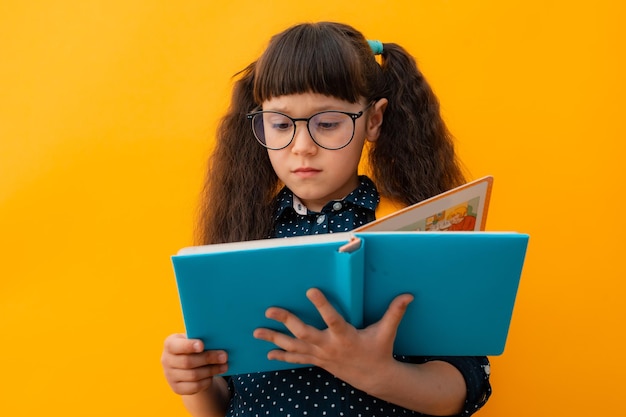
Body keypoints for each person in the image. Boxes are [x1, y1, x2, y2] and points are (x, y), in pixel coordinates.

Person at [161, 21, 491, 417]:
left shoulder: (418, 227)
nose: (302, 147)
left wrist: (376, 372)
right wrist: (194, 383)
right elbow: (224, 402)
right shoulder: (243, 236)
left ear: (373, 120)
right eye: (281, 124)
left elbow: (466, 387)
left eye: (328, 123)